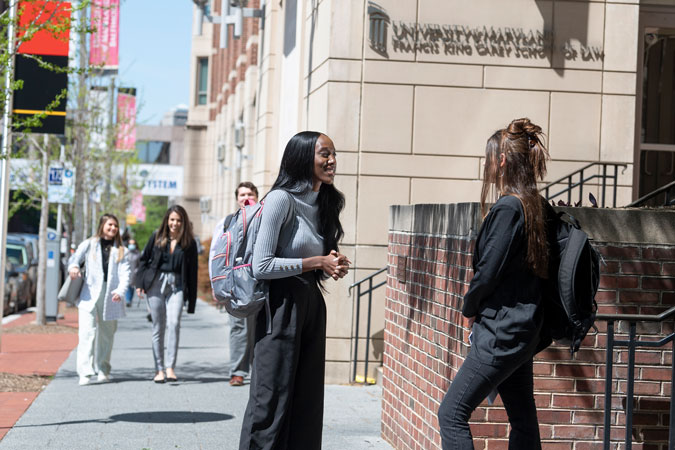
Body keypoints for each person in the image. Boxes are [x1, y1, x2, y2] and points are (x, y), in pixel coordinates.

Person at [437, 118, 550, 449]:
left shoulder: (509, 208)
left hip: (502, 332)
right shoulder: (536, 205)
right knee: (523, 420)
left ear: (501, 160)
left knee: (451, 414)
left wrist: (469, 308)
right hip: (523, 329)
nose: (485, 165)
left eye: (487, 158)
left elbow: (488, 272)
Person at [239, 131, 351, 450]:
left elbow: (313, 259)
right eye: (325, 154)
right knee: (270, 401)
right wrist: (316, 261)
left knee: (307, 402)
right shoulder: (280, 199)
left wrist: (331, 263)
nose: (332, 161)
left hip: (310, 303)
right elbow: (261, 265)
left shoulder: (325, 202)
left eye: (334, 154)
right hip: (279, 306)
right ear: (303, 158)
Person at [136, 205, 198, 384]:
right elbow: (144, 260)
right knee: (158, 326)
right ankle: (159, 369)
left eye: (178, 220)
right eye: (172, 219)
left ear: (183, 222)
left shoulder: (189, 243)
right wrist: (140, 283)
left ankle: (170, 367)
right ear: (167, 220)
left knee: (174, 323)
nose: (175, 223)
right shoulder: (156, 237)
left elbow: (192, 272)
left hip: (177, 286)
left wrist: (191, 301)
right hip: (155, 283)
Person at [68, 213, 130, 386]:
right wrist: (73, 267)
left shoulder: (121, 250)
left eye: (115, 226)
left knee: (107, 334)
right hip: (88, 293)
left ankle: (103, 369)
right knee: (86, 333)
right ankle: (85, 372)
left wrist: (120, 290)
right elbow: (74, 259)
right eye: (110, 225)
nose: (113, 228)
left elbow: (125, 273)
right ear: (102, 226)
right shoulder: (89, 244)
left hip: (111, 294)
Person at [227, 181, 260, 387]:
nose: (246, 198)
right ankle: (238, 371)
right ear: (237, 199)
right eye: (242, 195)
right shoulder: (228, 221)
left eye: (250, 194)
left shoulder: (264, 218)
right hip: (236, 284)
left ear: (256, 196)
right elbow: (218, 254)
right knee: (238, 327)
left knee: (258, 328)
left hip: (259, 281)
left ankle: (258, 371)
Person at [125, 238, 140, 307]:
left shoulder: (137, 254)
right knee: (127, 286)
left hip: (134, 273)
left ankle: (130, 299)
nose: (131, 245)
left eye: (133, 244)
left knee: (131, 287)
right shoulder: (125, 253)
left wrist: (137, 271)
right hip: (126, 272)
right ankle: (128, 300)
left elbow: (139, 264)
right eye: (130, 244)